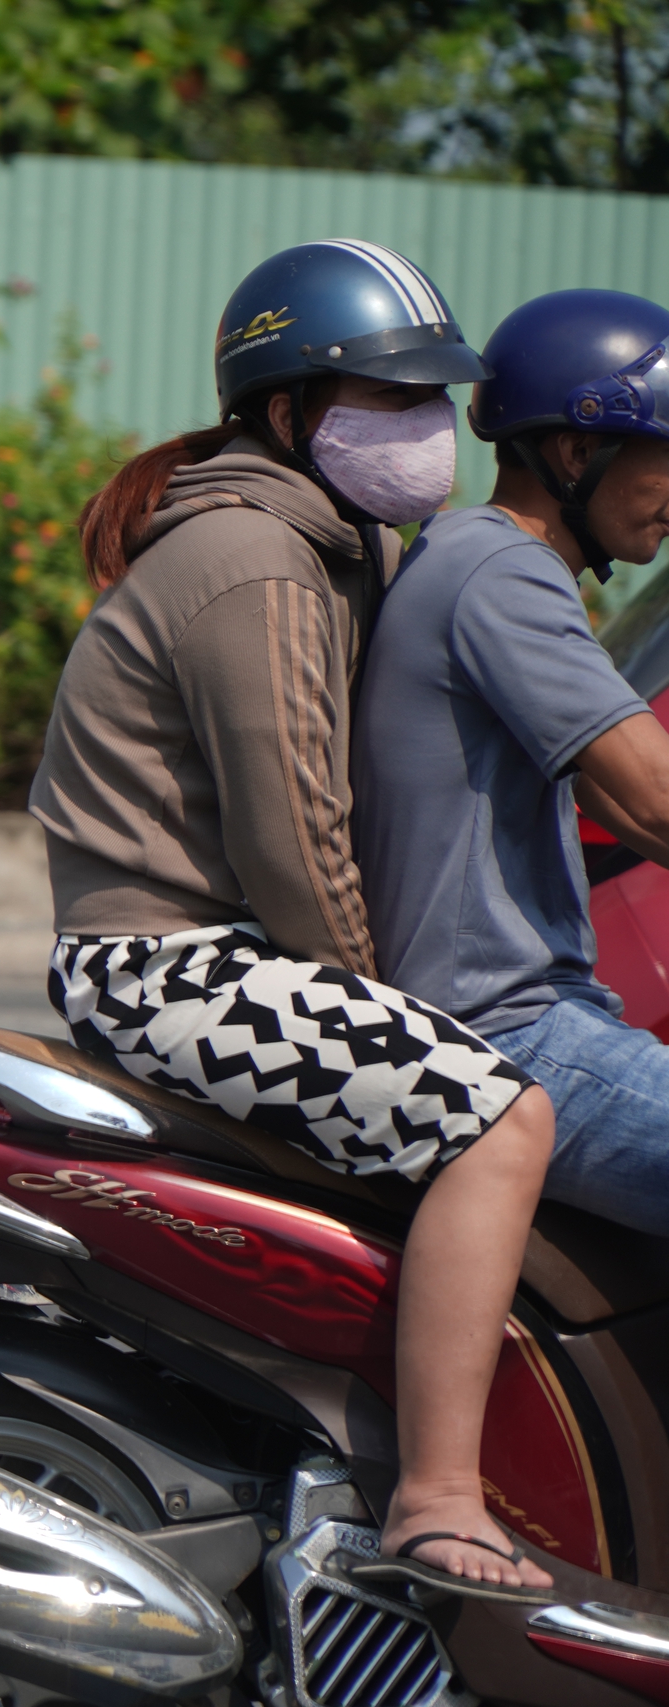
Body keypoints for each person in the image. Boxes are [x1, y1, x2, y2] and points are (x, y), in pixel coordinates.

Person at [29, 240, 556, 1598]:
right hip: (166, 965)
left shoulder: (336, 540)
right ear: (287, 411)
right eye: (390, 398)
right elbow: (297, 834)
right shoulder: (256, 554)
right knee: (501, 1120)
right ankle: (437, 1499)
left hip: (216, 952)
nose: (427, 429)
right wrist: (390, 1005)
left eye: (434, 396)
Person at [355, 290, 669, 1243]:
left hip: (519, 1021)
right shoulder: (505, 571)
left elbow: (624, 797)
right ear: (577, 450)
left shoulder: (465, 556)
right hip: (506, 1035)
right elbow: (657, 800)